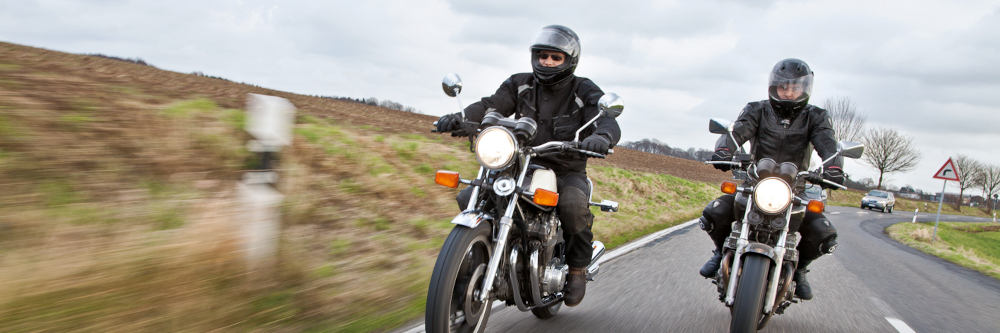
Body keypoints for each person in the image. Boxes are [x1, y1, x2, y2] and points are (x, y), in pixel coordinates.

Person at [435, 25, 621, 307]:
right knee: (470, 195)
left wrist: (602, 137)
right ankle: (481, 254)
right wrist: (461, 118)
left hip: (564, 169)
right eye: (542, 55)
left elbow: (605, 119)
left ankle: (577, 269)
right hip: (519, 163)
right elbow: (491, 105)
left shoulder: (583, 89)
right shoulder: (519, 83)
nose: (547, 62)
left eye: (555, 57)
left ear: (569, 61)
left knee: (573, 206)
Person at [698, 58, 844, 300]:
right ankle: (721, 251)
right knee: (714, 213)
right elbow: (738, 130)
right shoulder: (757, 109)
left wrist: (834, 167)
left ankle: (800, 270)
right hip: (755, 184)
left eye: (795, 87)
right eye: (783, 87)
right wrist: (724, 150)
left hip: (795, 190)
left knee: (823, 233)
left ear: (805, 89)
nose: (788, 93)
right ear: (773, 86)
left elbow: (827, 143)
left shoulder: (816, 116)